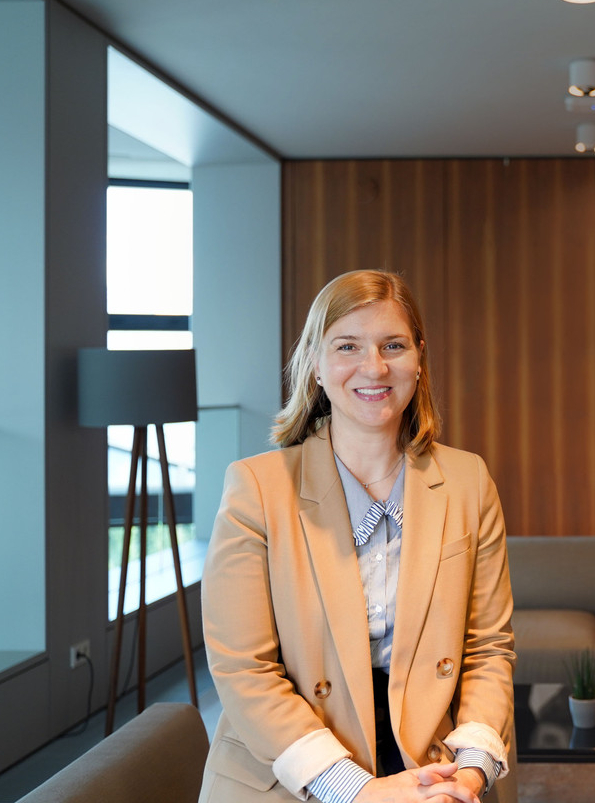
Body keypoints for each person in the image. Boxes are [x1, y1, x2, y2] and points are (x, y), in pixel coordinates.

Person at [199, 270, 515, 803]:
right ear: (317, 366)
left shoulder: (468, 481)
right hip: (292, 766)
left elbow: (488, 649)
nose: (374, 367)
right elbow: (244, 668)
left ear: (418, 358)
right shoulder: (257, 488)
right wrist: (357, 790)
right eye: (347, 346)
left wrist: (470, 770)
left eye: (393, 345)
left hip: (432, 764)